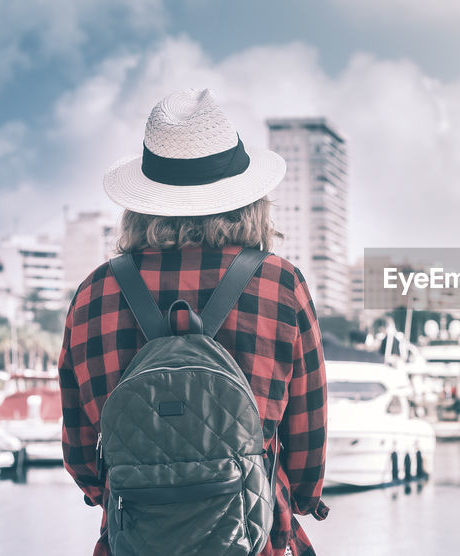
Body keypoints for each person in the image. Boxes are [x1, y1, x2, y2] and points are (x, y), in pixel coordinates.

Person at [59, 88, 329, 556]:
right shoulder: (280, 284)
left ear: (141, 200)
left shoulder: (93, 294)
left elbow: (85, 463)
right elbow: (307, 462)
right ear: (248, 198)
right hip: (255, 542)